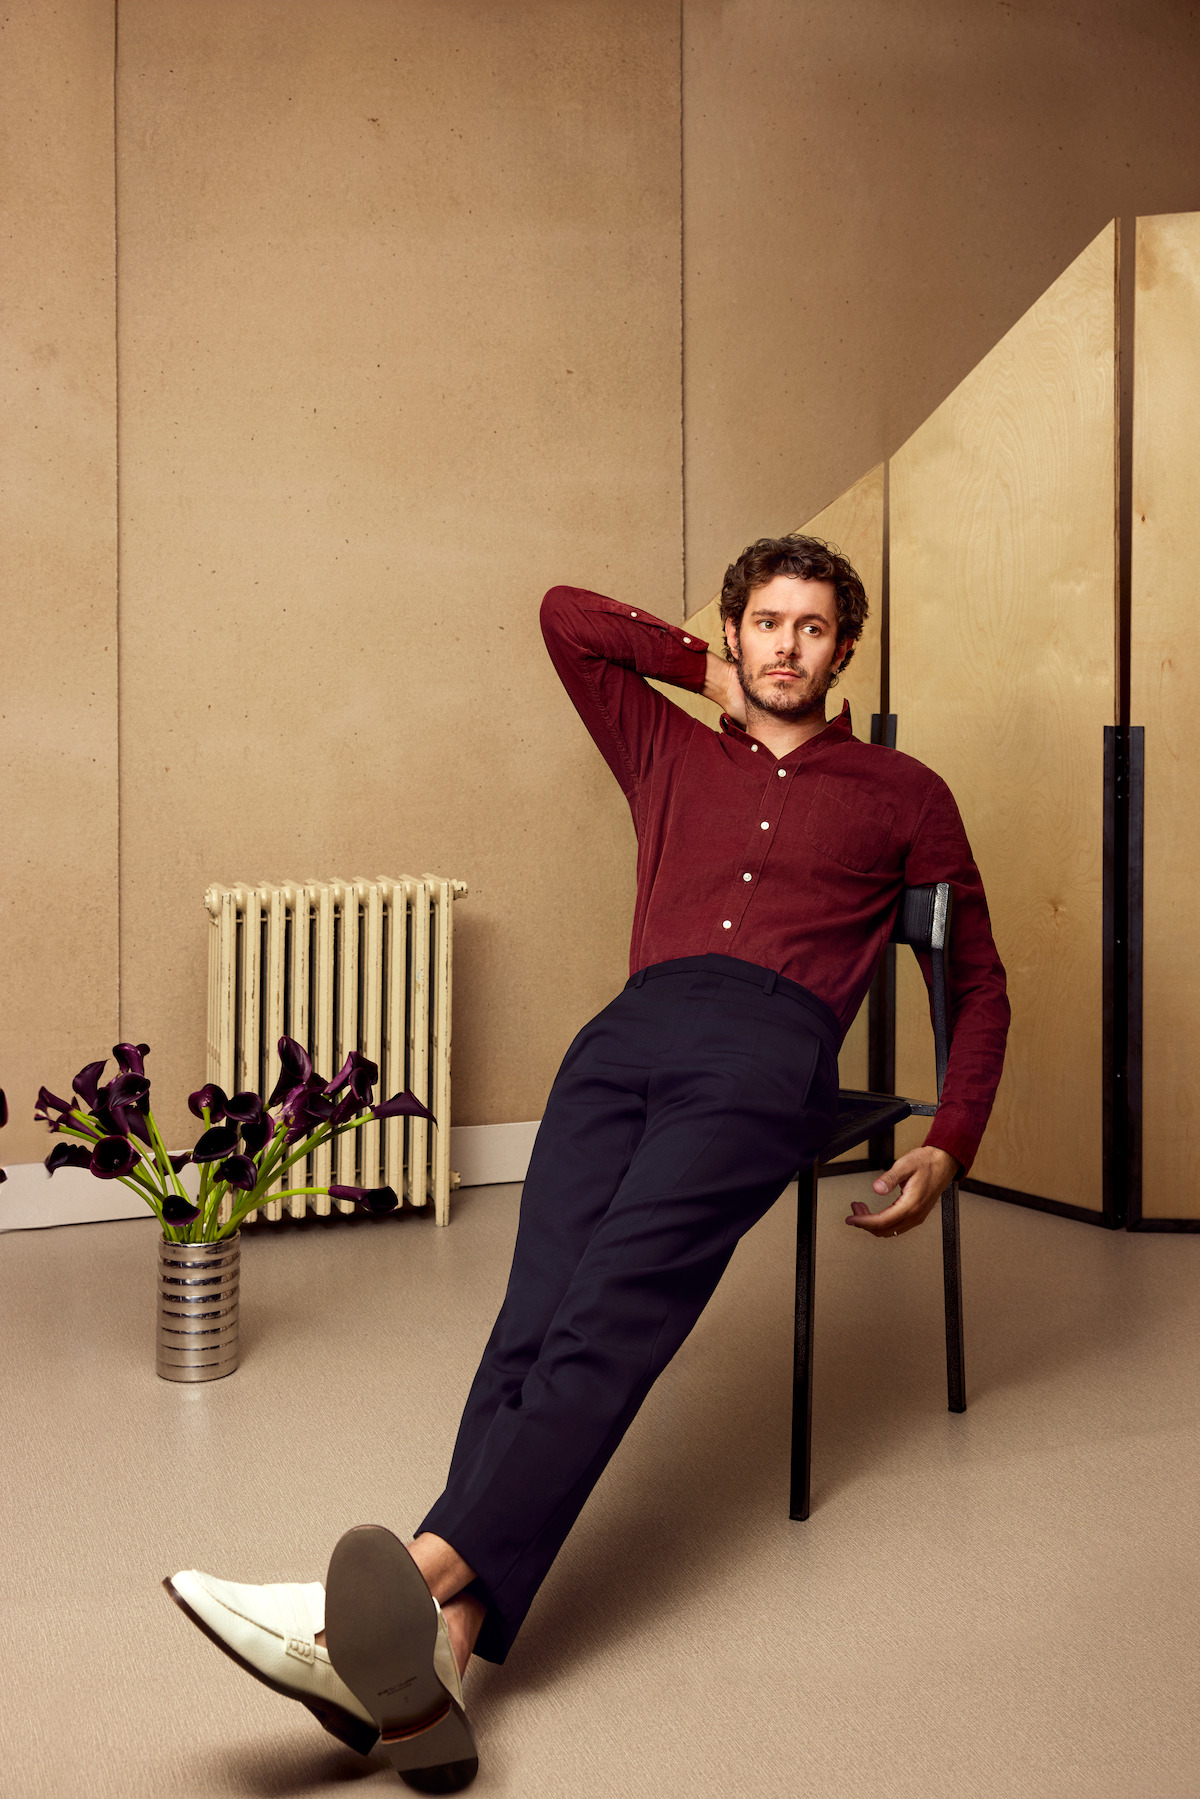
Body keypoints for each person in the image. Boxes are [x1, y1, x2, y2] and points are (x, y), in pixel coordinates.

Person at [164, 534, 1009, 1792]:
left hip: (768, 1051)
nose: (786, 646)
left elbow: (978, 980)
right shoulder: (667, 741)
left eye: (813, 627)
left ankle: (372, 1607)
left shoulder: (905, 790)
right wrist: (696, 674)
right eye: (764, 623)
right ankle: (444, 1647)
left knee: (611, 1305)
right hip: (624, 1038)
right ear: (733, 635)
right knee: (532, 1317)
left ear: (846, 646)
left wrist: (950, 1141)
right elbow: (566, 614)